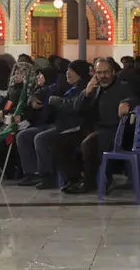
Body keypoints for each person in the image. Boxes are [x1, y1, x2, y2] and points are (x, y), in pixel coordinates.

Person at [54, 58, 140, 194]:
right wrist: (85, 93)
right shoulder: (94, 88)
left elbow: (138, 99)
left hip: (113, 132)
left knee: (89, 143)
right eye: (99, 73)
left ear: (113, 72)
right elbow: (77, 108)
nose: (102, 76)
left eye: (106, 72)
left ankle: (89, 183)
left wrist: (127, 103)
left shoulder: (123, 86)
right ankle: (74, 179)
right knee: (60, 140)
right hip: (92, 129)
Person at [18, 59, 90, 189]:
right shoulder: (65, 85)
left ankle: (48, 176)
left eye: (71, 71)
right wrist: (33, 98)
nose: (67, 73)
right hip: (57, 124)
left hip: (71, 127)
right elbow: (44, 91)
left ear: (80, 74)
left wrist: (54, 100)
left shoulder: (84, 89)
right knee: (23, 136)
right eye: (67, 70)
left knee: (41, 139)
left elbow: (73, 105)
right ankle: (31, 173)